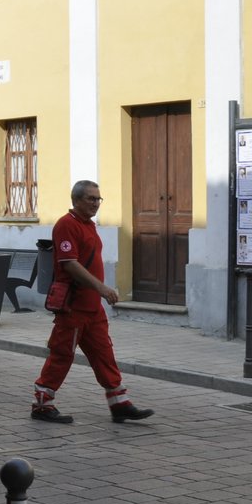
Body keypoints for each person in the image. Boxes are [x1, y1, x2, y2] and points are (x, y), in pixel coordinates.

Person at [31, 180, 154, 425]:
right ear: (76, 200)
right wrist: (102, 288)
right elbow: (70, 264)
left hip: (91, 308)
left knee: (104, 353)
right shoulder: (67, 225)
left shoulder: (89, 226)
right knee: (62, 354)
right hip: (74, 306)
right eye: (91, 199)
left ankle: (119, 404)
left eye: (98, 199)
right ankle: (42, 404)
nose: (96, 203)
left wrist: (98, 293)